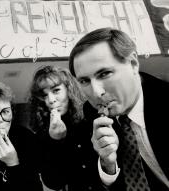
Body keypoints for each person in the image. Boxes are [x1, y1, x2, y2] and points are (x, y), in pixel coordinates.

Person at [69, 27, 169, 190]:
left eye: (104, 73)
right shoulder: (89, 119)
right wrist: (107, 165)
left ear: (133, 64)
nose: (97, 92)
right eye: (85, 81)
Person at [29, 65, 107, 191]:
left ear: (69, 89)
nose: (51, 100)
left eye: (56, 90)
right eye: (44, 95)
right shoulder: (43, 133)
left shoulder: (93, 115)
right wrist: (55, 142)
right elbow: (53, 183)